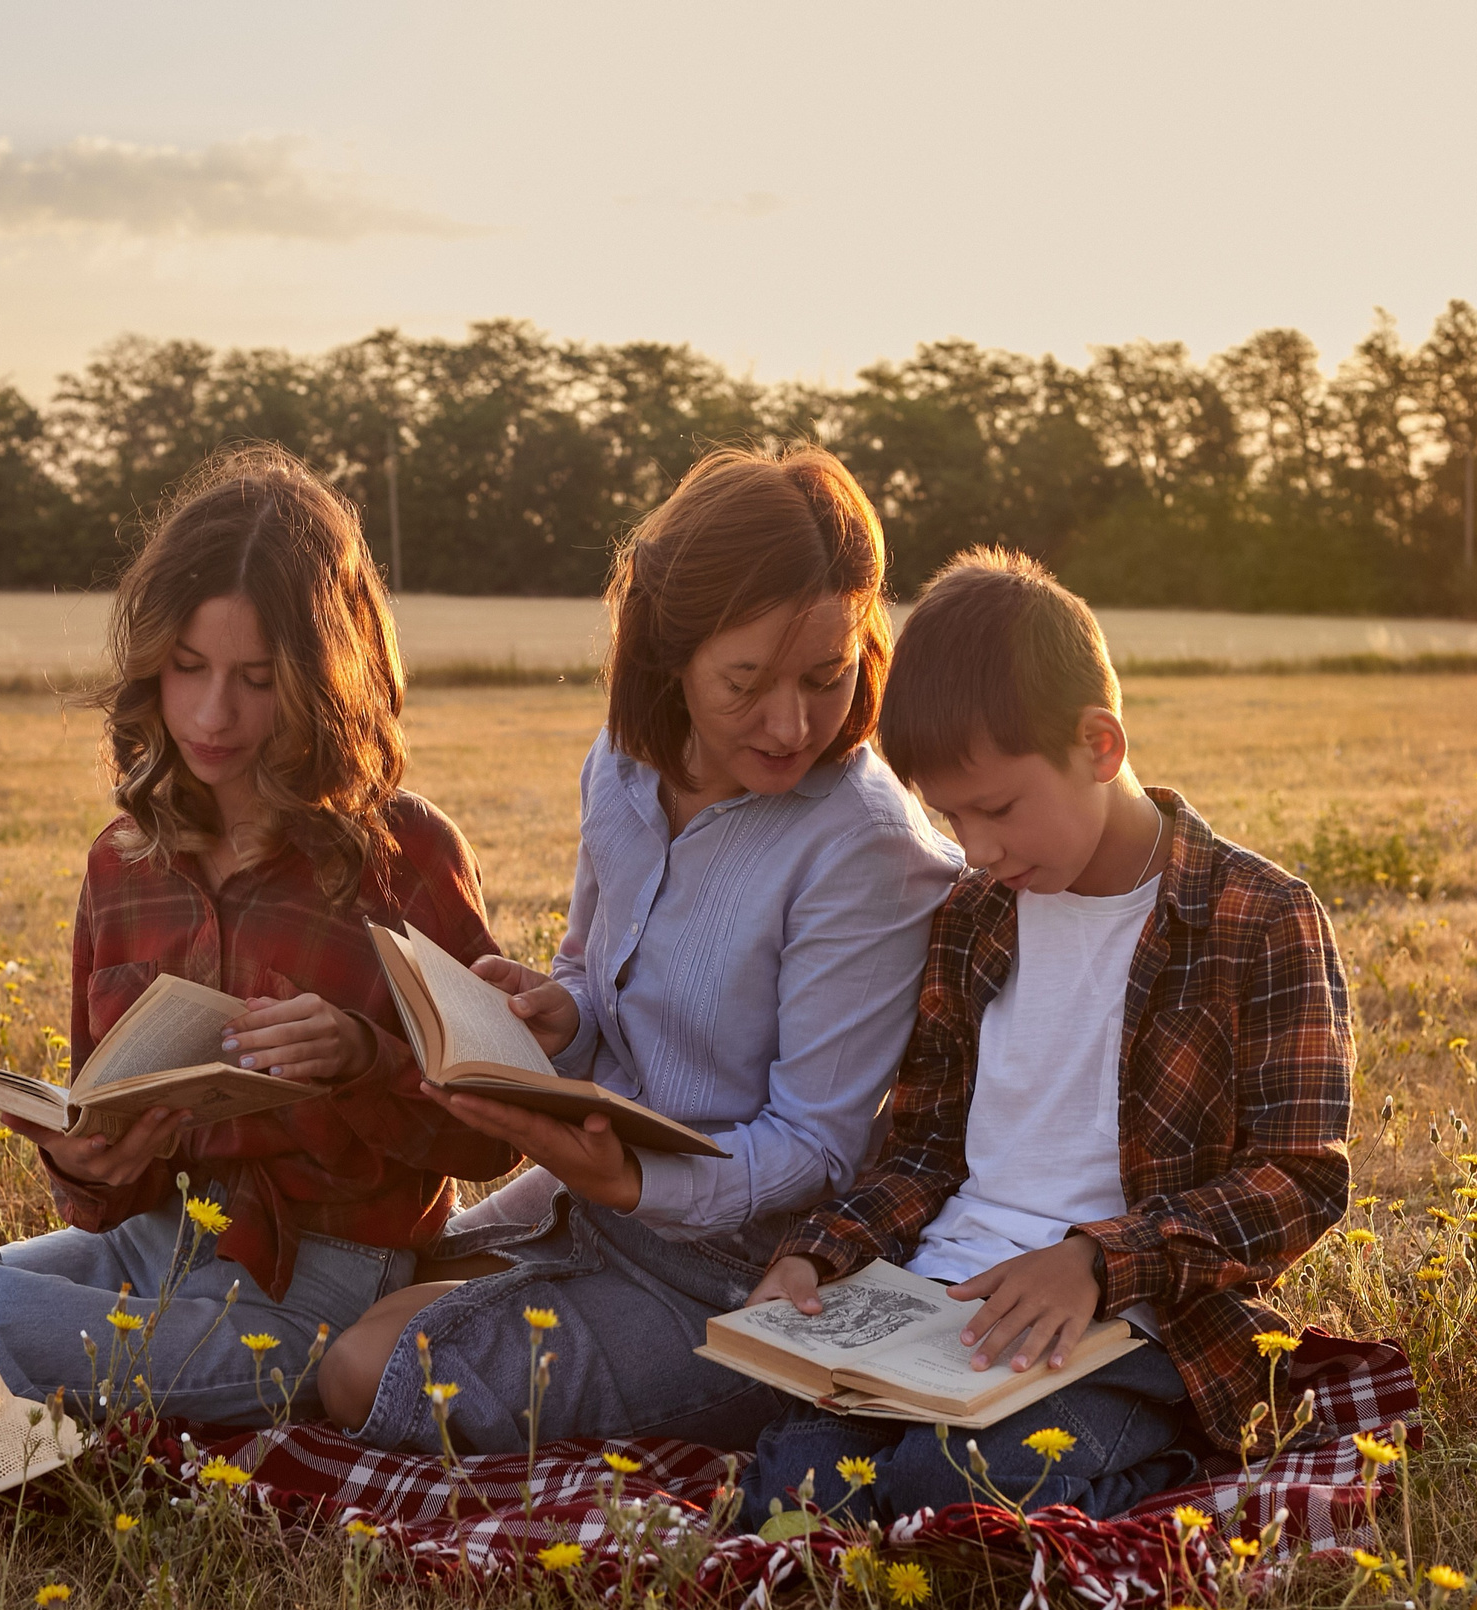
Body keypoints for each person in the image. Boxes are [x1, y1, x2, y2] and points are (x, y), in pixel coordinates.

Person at [0, 446, 514, 1428]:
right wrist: (93, 1163)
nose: (214, 713)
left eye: (256, 678)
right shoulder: (122, 864)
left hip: (320, 1290)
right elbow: (102, 1152)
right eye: (187, 669)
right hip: (148, 1245)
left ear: (325, 679)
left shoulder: (403, 853)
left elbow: (489, 1134)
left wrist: (363, 1054)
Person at [316, 446, 962, 1452]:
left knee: (367, 1368)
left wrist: (629, 1183)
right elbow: (587, 968)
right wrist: (558, 1012)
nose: (792, 723)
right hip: (598, 1198)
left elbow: (819, 1145)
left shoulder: (864, 846)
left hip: (752, 1272)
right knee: (353, 1299)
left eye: (827, 677)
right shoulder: (619, 768)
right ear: (669, 648)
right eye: (745, 682)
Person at [742, 548, 1352, 1526]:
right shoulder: (975, 916)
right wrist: (818, 1255)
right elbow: (928, 1147)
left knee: (950, 1493)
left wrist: (1097, 1261)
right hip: (927, 1307)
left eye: (997, 808)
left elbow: (1301, 1178)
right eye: (950, 815)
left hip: (1129, 1327)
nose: (974, 848)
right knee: (796, 1496)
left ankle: (1166, 1473)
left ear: (1099, 745)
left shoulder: (1256, 915)